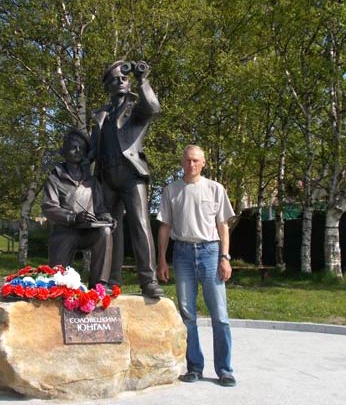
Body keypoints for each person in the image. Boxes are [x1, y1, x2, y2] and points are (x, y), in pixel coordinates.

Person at [156, 144, 237, 387]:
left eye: (196, 160)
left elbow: (223, 226)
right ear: (182, 162)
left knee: (220, 315)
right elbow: (164, 227)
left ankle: (224, 369)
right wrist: (162, 259)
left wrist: (225, 257)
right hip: (182, 254)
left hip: (211, 252)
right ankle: (194, 367)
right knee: (187, 315)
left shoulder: (215, 189)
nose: (191, 164)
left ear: (203, 163)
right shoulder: (171, 190)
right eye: (188, 160)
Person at [90, 59, 163, 298]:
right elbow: (92, 149)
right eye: (115, 79)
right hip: (107, 176)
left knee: (140, 224)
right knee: (110, 229)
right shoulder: (101, 114)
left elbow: (153, 107)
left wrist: (143, 81)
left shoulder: (135, 107)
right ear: (108, 86)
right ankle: (110, 281)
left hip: (131, 174)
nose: (121, 82)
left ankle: (148, 281)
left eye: (124, 78)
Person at [42, 129, 114, 288]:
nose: (78, 151)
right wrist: (73, 217)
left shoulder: (92, 182)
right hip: (64, 232)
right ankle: (61, 286)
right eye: (73, 147)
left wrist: (106, 217)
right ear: (63, 150)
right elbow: (49, 207)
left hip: (88, 232)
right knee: (58, 284)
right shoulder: (54, 178)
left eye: (81, 148)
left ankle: (99, 285)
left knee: (105, 232)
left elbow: (100, 209)